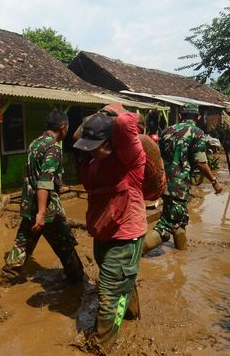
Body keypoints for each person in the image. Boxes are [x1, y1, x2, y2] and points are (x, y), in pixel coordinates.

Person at [74, 110, 147, 353]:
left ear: (111, 142)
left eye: (96, 146)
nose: (89, 150)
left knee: (107, 292)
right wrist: (90, 124)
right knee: (121, 281)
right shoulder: (93, 165)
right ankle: (133, 317)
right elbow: (77, 137)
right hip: (103, 234)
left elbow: (127, 121)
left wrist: (106, 111)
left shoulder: (131, 160)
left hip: (126, 235)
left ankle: (101, 346)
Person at [0, 111, 84, 287]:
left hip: (29, 206)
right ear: (64, 127)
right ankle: (78, 284)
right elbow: (45, 181)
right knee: (65, 246)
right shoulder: (53, 148)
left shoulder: (34, 143)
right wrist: (43, 212)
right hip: (48, 210)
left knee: (22, 244)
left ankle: (7, 279)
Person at [148, 103, 223, 252]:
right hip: (179, 186)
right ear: (199, 117)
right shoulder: (197, 133)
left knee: (179, 220)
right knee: (167, 225)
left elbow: (157, 156)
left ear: (181, 116)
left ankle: (182, 256)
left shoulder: (167, 131)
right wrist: (214, 182)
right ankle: (134, 257)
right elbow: (201, 163)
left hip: (163, 183)